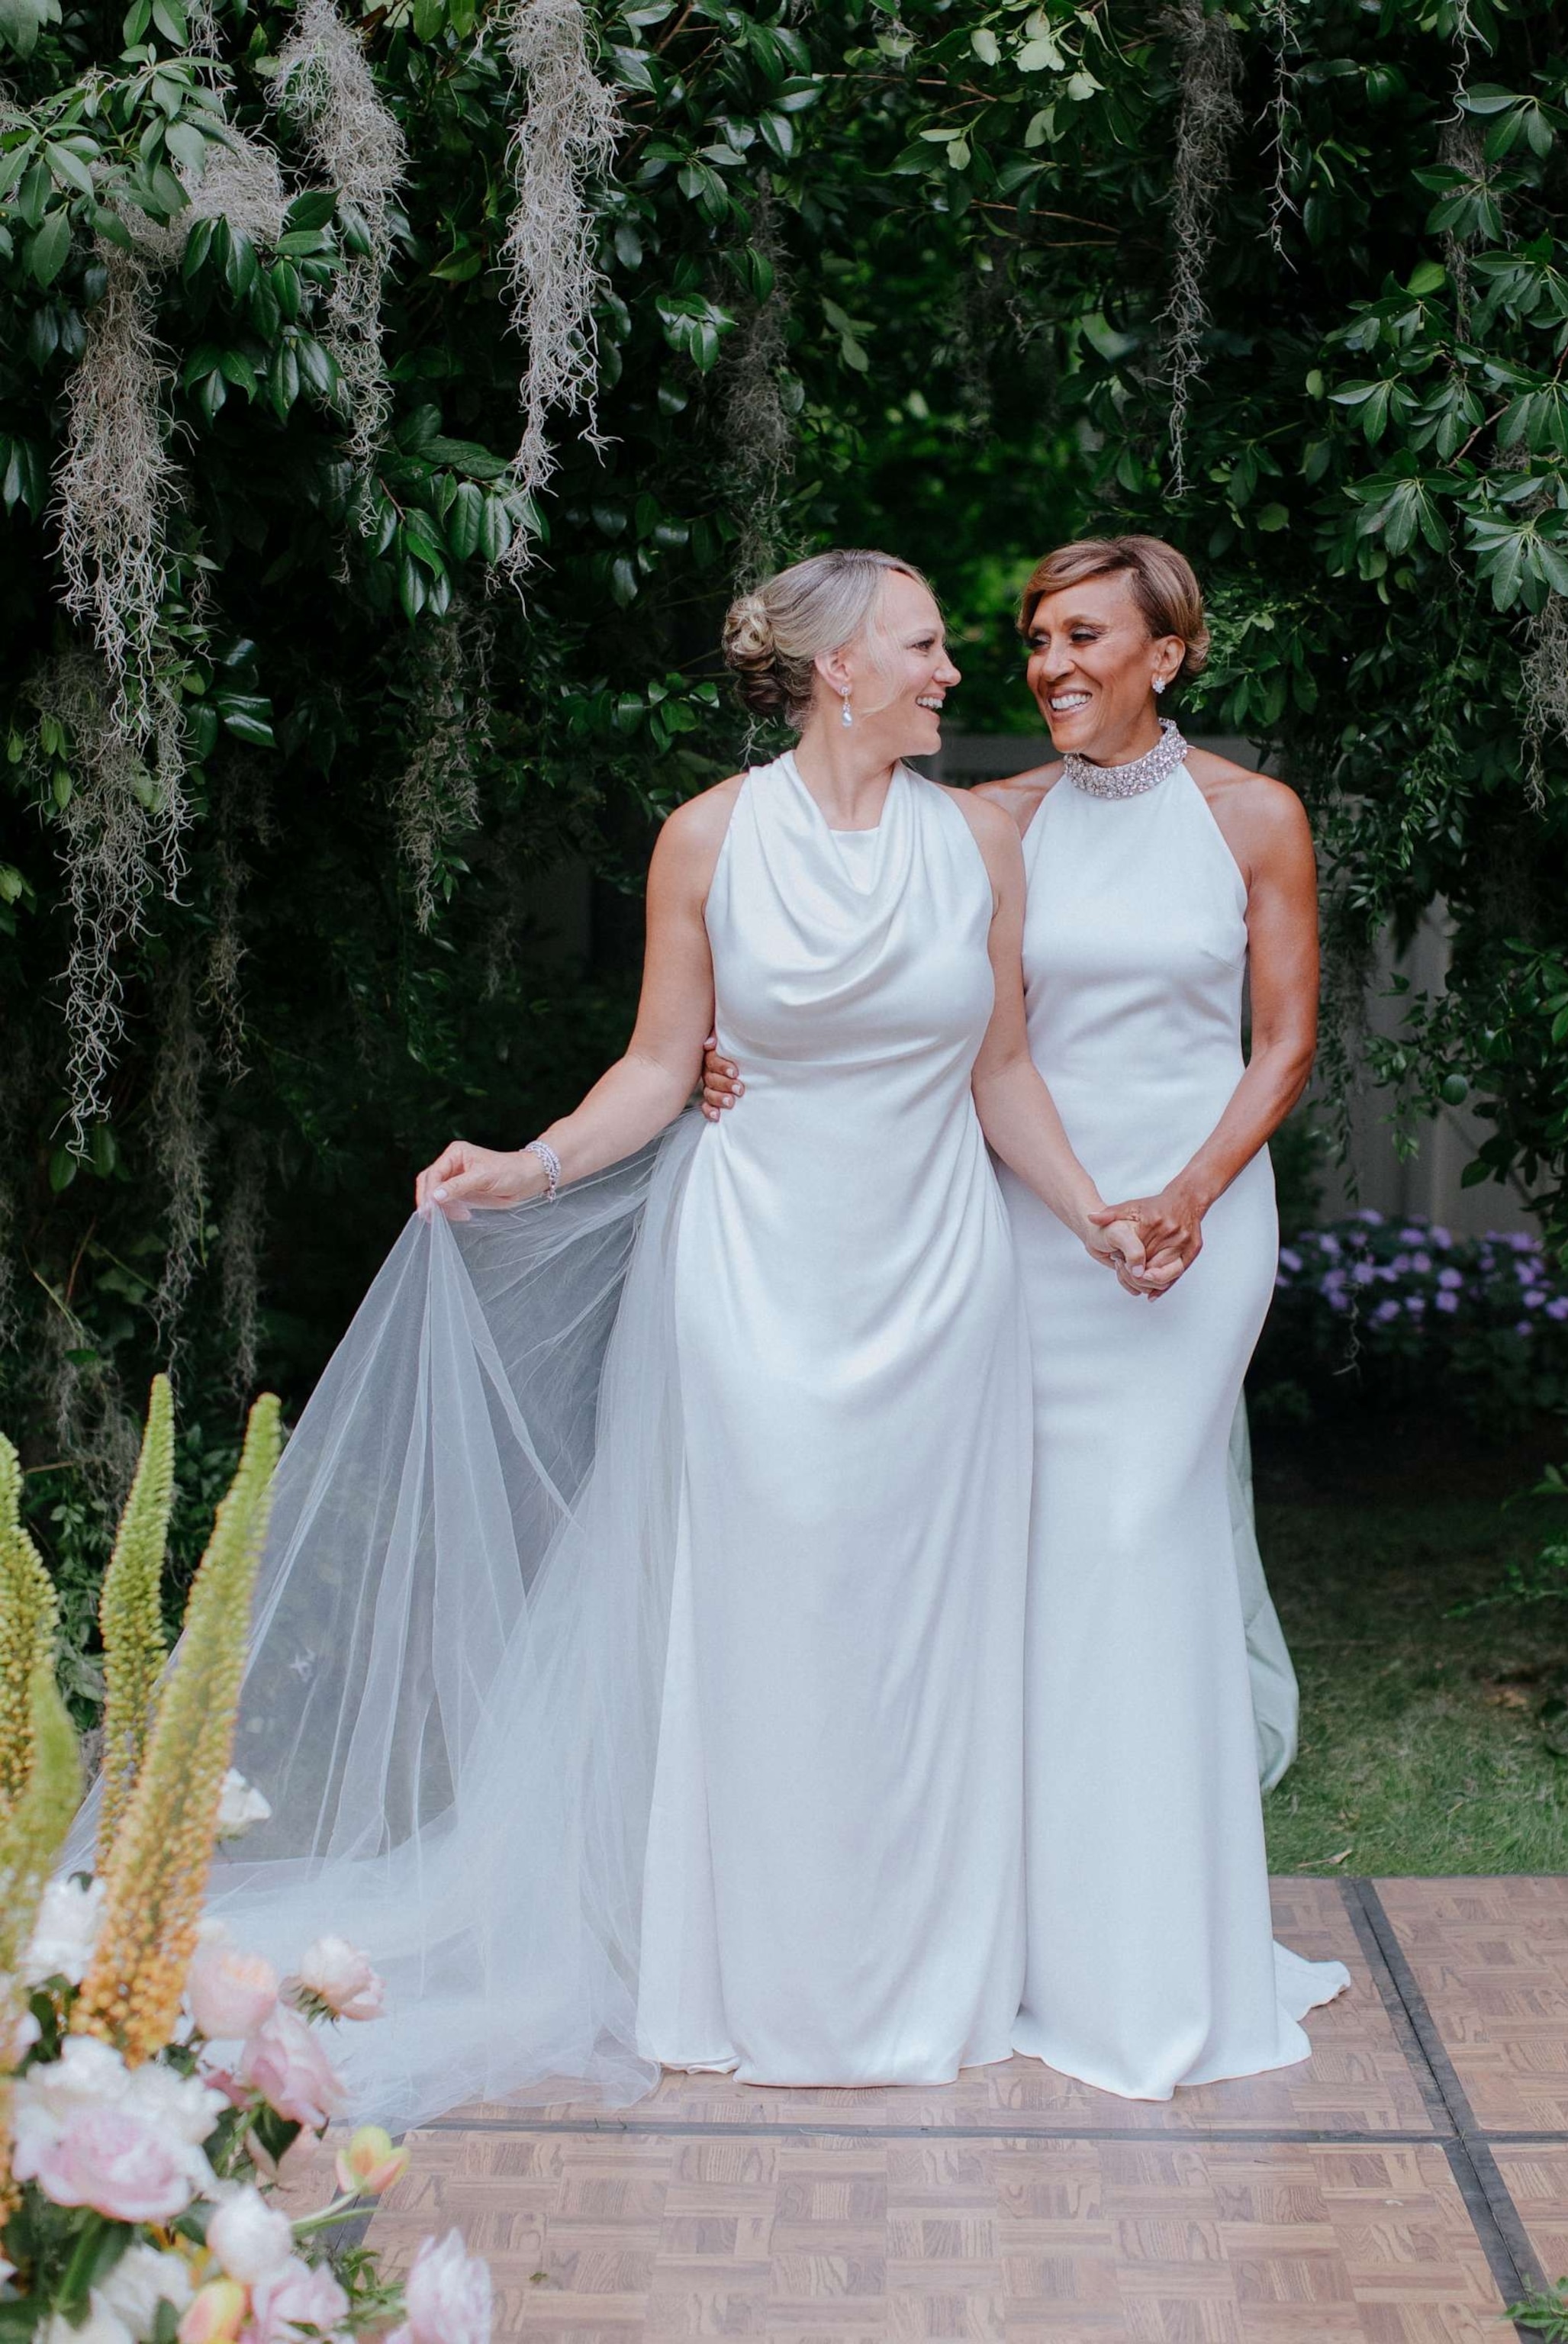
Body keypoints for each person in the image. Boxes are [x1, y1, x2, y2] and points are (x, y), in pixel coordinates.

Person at [70, 549, 1153, 2125]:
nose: (951, 673)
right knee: (759, 1618)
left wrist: (1096, 1209)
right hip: (751, 1282)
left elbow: (1001, 1075)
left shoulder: (982, 839)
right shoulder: (709, 840)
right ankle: (742, 1976)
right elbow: (659, 1066)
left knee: (925, 1637)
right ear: (838, 665)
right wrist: (533, 1162)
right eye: (924, 647)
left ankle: (926, 1979)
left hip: (940, 1289)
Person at [707, 535, 1347, 2099]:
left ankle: (1155, 1968)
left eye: (1083, 638)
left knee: (1137, 1541)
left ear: (1166, 656)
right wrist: (741, 1065)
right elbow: (882, 983)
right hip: (1034, 1225)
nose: (1048, 665)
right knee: (1029, 1573)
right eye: (1036, 640)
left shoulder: (1255, 818)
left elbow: (1283, 1047)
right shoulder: (987, 824)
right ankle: (1019, 1953)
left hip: (1196, 1232)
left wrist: (1192, 1192)